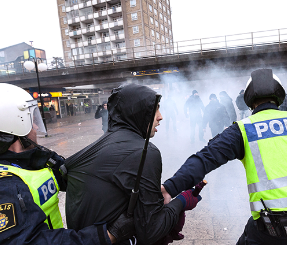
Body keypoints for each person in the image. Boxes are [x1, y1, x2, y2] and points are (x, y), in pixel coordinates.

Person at [161, 69, 287, 245]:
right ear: (279, 97)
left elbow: (203, 159)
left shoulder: (242, 130)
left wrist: (170, 188)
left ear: (249, 100)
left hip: (275, 230)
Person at [0, 83, 133, 245]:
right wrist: (107, 234)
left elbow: (76, 176)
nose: (36, 126)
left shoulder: (31, 160)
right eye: (31, 120)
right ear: (15, 125)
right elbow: (33, 245)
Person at [64, 84, 201, 245]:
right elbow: (152, 229)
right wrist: (182, 202)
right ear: (138, 112)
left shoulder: (104, 143)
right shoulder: (143, 152)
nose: (161, 116)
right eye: (155, 109)